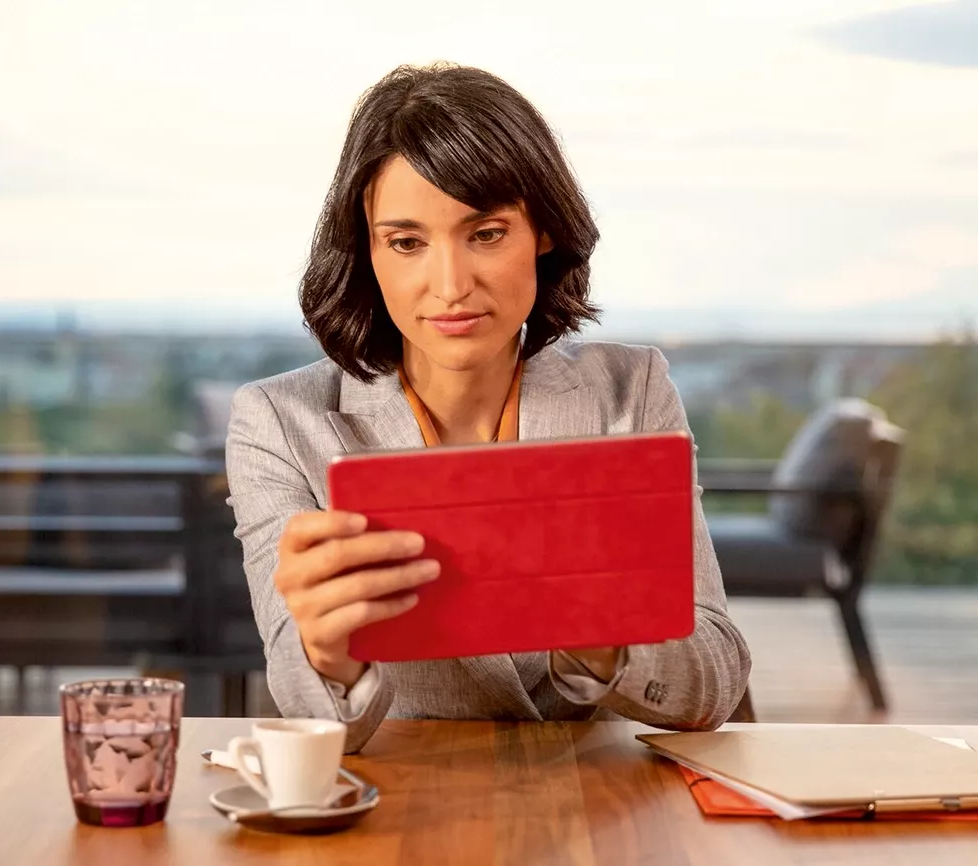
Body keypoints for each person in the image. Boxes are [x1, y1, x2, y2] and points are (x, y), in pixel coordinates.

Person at [225, 62, 751, 753]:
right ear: (368, 251)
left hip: (598, 820)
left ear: (543, 233)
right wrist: (330, 657)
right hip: (396, 824)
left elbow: (716, 679)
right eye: (407, 242)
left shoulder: (631, 392)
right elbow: (314, 721)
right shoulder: (277, 423)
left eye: (486, 233)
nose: (450, 285)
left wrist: (606, 647)